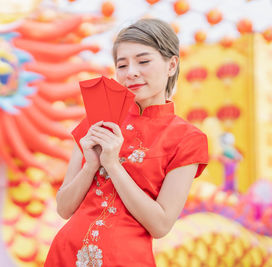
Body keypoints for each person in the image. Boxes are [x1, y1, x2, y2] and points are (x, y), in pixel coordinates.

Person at [44, 18, 208, 267]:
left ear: (172, 64)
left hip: (126, 260)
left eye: (143, 61)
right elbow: (64, 208)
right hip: (66, 254)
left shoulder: (188, 139)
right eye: (122, 65)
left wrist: (112, 164)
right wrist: (91, 166)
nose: (131, 72)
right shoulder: (97, 120)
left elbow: (161, 225)